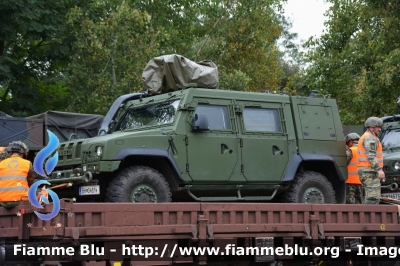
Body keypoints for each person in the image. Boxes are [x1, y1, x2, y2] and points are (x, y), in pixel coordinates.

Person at [357, 117, 385, 204]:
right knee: (373, 198)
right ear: (371, 127)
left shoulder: (367, 137)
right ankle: (369, 217)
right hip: (370, 171)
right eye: (378, 127)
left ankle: (364, 216)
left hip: (367, 170)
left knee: (368, 197)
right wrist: (379, 169)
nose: (379, 129)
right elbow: (371, 156)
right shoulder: (370, 138)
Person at [0, 141, 35, 208]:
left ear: (9, 153)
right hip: (21, 200)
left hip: (2, 201)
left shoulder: (1, 164)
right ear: (22, 154)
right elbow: (30, 181)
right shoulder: (27, 163)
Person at [345, 133, 362, 204]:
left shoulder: (351, 151)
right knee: (359, 202)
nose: (348, 146)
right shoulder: (364, 151)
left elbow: (344, 162)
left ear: (351, 141)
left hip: (350, 181)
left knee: (350, 203)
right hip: (361, 181)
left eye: (348, 143)